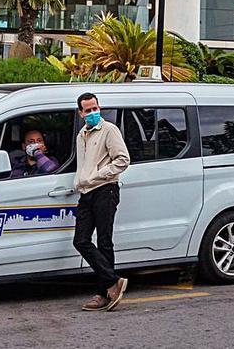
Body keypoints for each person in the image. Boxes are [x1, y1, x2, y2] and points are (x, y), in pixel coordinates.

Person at [73, 92, 130, 312]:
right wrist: (80, 181)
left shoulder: (109, 130)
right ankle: (113, 282)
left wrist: (100, 174)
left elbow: (122, 159)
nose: (93, 113)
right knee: (81, 240)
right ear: (81, 113)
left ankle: (104, 293)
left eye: (95, 108)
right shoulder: (81, 135)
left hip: (105, 190)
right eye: (88, 110)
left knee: (105, 241)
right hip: (86, 192)